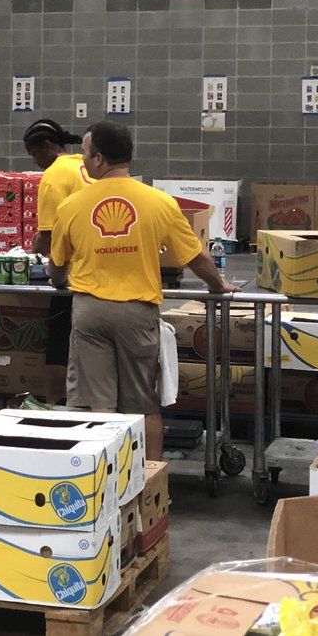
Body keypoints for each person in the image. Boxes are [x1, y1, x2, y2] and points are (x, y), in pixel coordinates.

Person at [48, 121, 236, 460]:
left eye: (86, 155)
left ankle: (102, 486)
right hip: (138, 312)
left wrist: (59, 281)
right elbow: (194, 255)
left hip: (91, 311)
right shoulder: (159, 203)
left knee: (99, 405)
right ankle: (151, 485)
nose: (83, 161)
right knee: (144, 404)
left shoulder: (72, 205)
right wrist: (218, 284)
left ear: (100, 160)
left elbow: (57, 266)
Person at [22, 119, 94, 372]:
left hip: (73, 271)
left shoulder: (54, 176)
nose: (34, 161)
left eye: (34, 154)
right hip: (101, 270)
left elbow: (49, 236)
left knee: (59, 341)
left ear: (47, 145)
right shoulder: (83, 166)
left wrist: (30, 253)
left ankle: (53, 398)